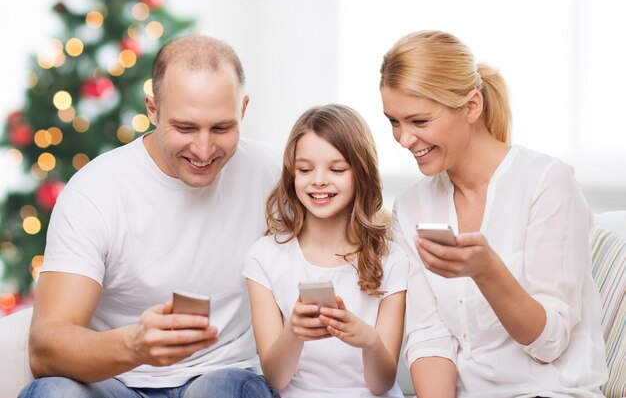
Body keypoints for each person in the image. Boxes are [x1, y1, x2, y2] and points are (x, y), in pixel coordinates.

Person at [19, 35, 282, 398]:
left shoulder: (268, 170)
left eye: (222, 128)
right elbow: (45, 347)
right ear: (153, 110)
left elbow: (348, 227)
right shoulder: (96, 191)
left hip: (221, 378)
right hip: (117, 383)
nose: (204, 150)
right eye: (185, 128)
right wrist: (135, 346)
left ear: (243, 110)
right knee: (52, 392)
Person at [379, 30, 608, 398]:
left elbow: (549, 343)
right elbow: (429, 338)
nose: (404, 139)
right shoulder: (411, 207)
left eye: (419, 122)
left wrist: (487, 271)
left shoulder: (547, 184)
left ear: (472, 106)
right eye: (394, 121)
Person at [243, 104, 409, 398]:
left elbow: (381, 384)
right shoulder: (265, 257)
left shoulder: (391, 259)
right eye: (305, 169)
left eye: (337, 169)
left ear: (361, 174)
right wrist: (294, 331)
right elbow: (276, 378)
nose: (318, 180)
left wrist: (369, 341)